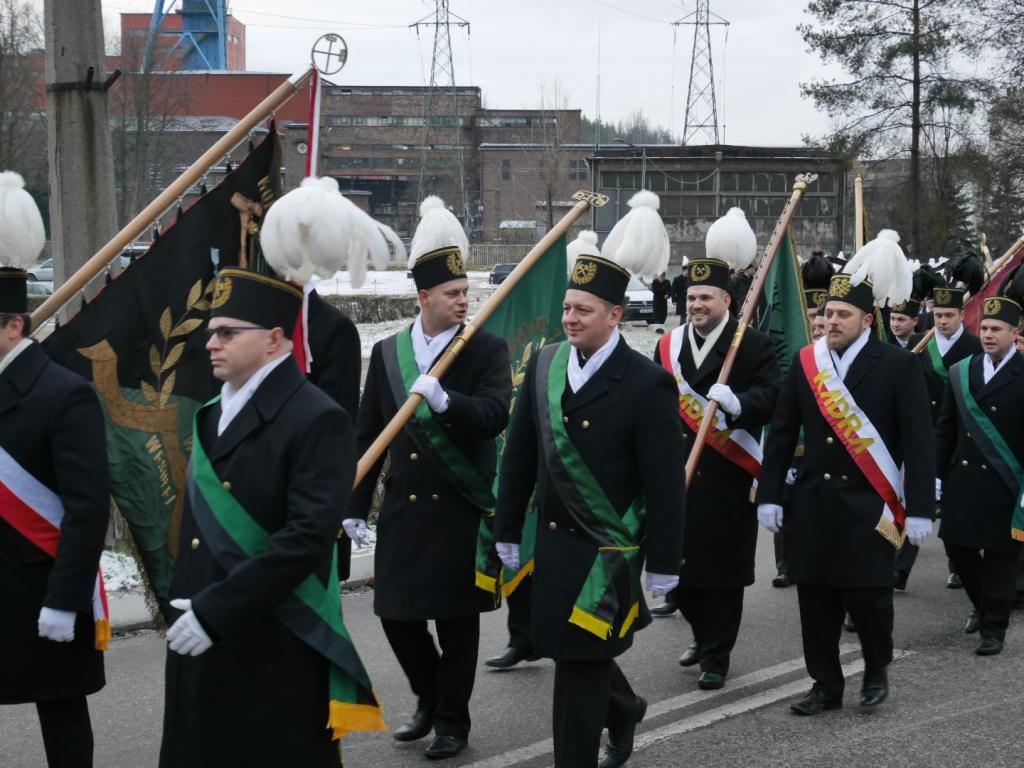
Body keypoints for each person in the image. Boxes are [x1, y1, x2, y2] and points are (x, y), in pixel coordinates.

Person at [160, 266, 384, 767]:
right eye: (212, 332)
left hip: (272, 638)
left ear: (274, 339)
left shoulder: (316, 417)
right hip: (205, 628)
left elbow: (305, 538)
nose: (211, 344)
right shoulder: (213, 412)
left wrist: (217, 610)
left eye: (227, 333)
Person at [495, 190, 685, 768]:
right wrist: (507, 528)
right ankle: (624, 709)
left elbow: (664, 484)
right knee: (572, 652)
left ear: (615, 316)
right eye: (567, 308)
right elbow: (520, 456)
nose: (570, 318)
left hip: (608, 553)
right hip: (554, 547)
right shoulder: (545, 364)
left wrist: (665, 562)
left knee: (577, 672)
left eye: (583, 310)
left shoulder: (647, 383)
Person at [349, 196, 511, 760]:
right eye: (452, 293)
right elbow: (369, 434)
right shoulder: (388, 353)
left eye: (466, 291)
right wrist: (354, 505)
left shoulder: (485, 349)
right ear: (424, 298)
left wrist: (447, 402)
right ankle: (429, 694)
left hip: (460, 507)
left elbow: (495, 416)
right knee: (395, 615)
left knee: (457, 623)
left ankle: (451, 722)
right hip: (404, 510)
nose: (464, 300)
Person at [757, 230, 935, 716]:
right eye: (828, 313)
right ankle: (825, 686)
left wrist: (921, 507)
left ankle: (875, 670)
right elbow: (782, 432)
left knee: (869, 602)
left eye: (842, 315)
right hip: (813, 505)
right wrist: (769, 494)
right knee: (815, 605)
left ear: (866, 320)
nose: (832, 322)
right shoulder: (806, 364)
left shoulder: (897, 365)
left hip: (869, 507)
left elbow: (918, 442)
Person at [0, 171, 111, 768]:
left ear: (14, 326)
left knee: (62, 714)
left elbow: (88, 508)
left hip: (41, 588)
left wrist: (65, 600)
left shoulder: (63, 394)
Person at [654, 208, 780, 691]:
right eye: (691, 297)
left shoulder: (752, 345)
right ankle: (703, 634)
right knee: (682, 573)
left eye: (706, 296)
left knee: (723, 575)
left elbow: (772, 396)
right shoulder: (668, 346)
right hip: (679, 473)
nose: (697, 305)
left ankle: (716, 655)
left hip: (729, 473)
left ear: (727, 299)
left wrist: (740, 404)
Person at [936, 272, 1024, 656]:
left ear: (1014, 334)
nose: (988, 334)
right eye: (984, 328)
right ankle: (984, 606)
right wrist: (936, 475)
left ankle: (994, 629)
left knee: (1002, 558)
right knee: (958, 549)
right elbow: (946, 429)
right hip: (964, 481)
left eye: (996, 329)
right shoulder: (962, 372)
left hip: (1007, 484)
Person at [896, 283, 981, 591]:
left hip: (960, 435)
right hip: (925, 431)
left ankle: (958, 566)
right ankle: (900, 568)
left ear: (962, 315)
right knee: (917, 498)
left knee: (956, 504)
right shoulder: (919, 343)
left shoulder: (974, 347)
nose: (943, 321)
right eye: (938, 315)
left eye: (949, 315)